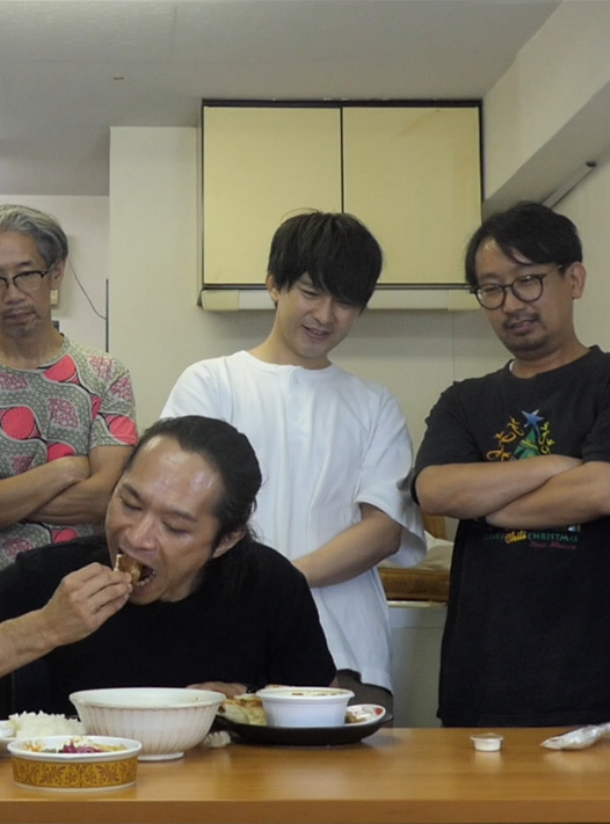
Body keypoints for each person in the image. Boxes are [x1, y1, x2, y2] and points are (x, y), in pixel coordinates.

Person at [413, 201, 610, 729]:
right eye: (491, 289)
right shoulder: (463, 401)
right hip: (483, 688)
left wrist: (489, 508)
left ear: (574, 279)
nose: (510, 303)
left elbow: (604, 491)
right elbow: (436, 492)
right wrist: (559, 465)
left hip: (606, 687)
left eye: (527, 281)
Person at [0, 415, 337, 718]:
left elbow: (321, 710)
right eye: (130, 503)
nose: (138, 537)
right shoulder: (56, 574)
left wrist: (247, 703)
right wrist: (46, 627)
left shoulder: (270, 586)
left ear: (226, 540)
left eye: (175, 527)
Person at [162, 211, 425, 712]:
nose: (325, 315)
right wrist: (265, 592)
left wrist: (275, 585)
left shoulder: (374, 405)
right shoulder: (211, 383)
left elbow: (382, 531)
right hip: (220, 637)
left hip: (344, 650)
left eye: (345, 302)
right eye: (310, 292)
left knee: (347, 764)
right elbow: (176, 508)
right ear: (274, 285)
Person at [0, 204, 137, 611]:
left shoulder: (105, 375)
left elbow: (106, 498)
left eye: (26, 274)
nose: (13, 294)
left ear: (56, 272)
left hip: (84, 596)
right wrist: (65, 470)